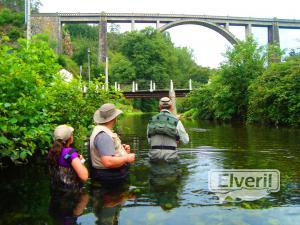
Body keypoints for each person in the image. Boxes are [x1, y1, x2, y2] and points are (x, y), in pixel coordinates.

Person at [89, 103, 135, 186]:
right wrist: (126, 158)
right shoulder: (103, 135)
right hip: (109, 177)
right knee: (113, 198)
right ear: (113, 118)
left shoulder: (101, 131)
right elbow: (108, 162)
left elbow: (107, 154)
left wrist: (123, 152)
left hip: (107, 176)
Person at [147, 97, 189, 162]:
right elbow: (186, 141)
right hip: (170, 156)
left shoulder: (151, 120)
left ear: (159, 106)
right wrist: (177, 138)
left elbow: (149, 141)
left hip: (154, 156)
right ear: (171, 106)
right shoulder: (177, 121)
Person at [48, 125, 89, 191]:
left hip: (57, 192)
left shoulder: (53, 152)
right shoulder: (70, 153)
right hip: (72, 194)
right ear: (70, 138)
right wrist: (81, 161)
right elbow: (84, 176)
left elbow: (65, 158)